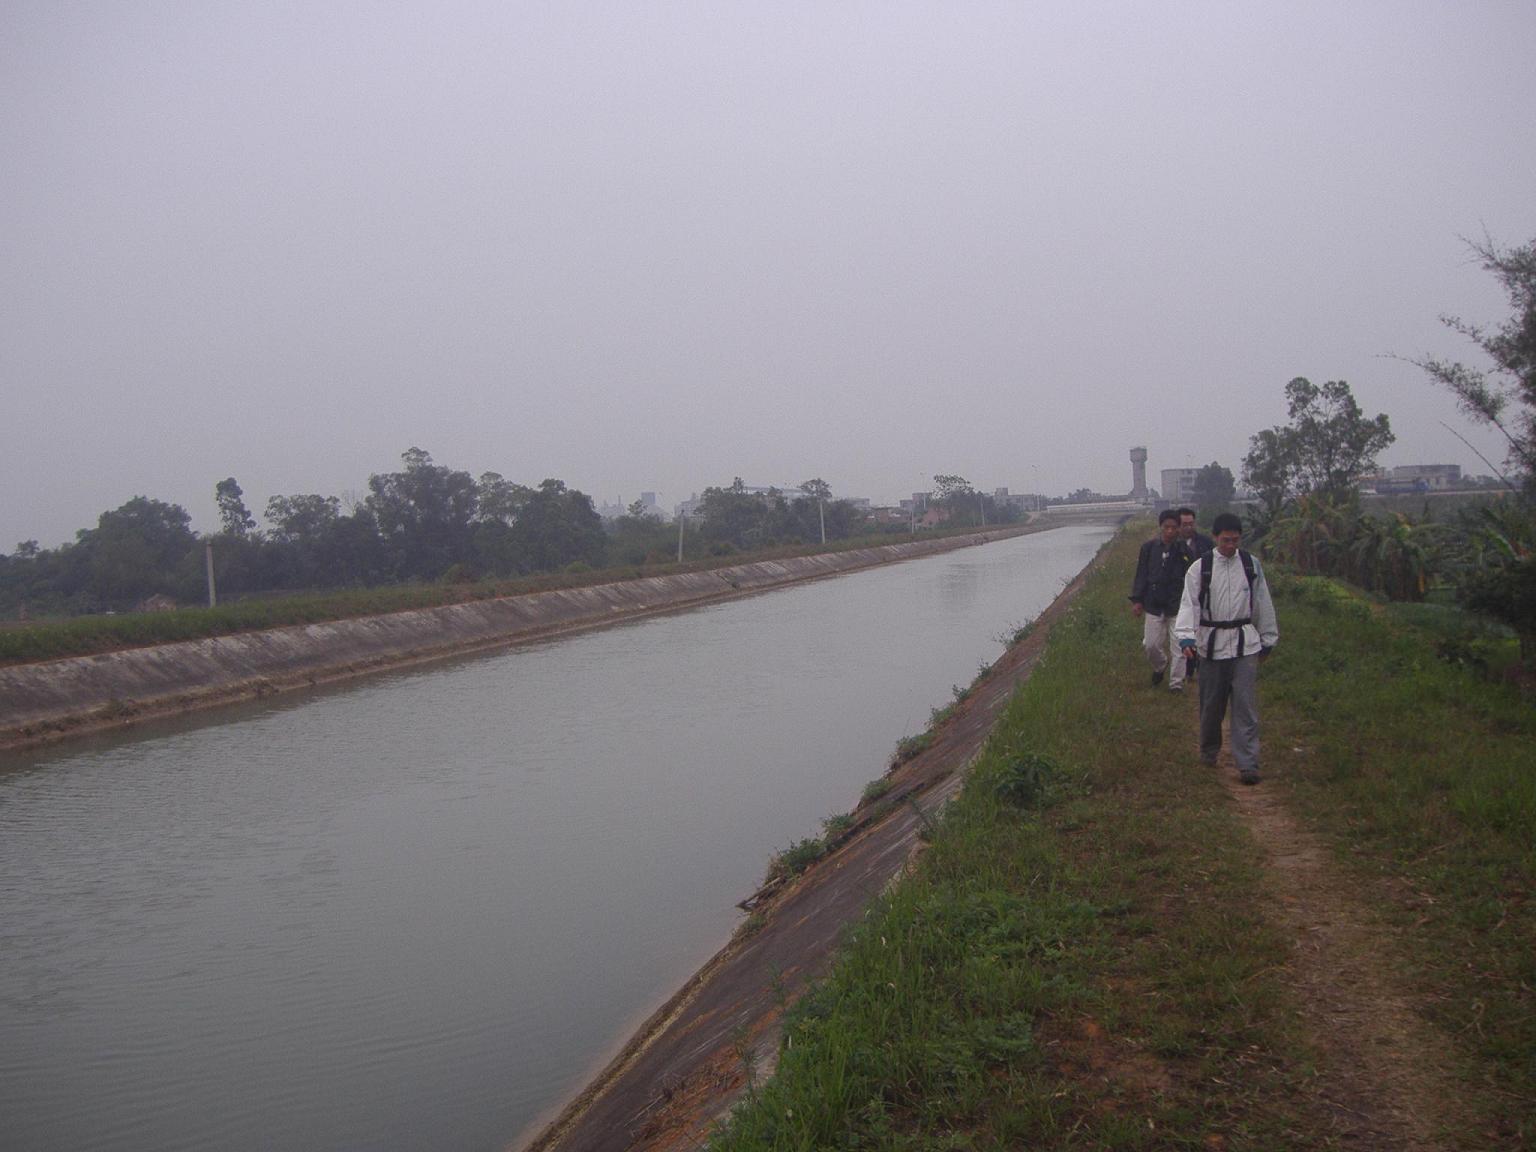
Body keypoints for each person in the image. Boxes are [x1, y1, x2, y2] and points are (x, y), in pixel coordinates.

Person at [1174, 512, 1278, 784]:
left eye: (1235, 540)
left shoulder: (1250, 565)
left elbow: (1262, 602)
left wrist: (1268, 638)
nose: (1231, 546)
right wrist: (1186, 638)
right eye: (1225, 540)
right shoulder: (1200, 568)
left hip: (1245, 645)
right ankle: (1209, 750)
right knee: (1211, 705)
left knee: (1245, 706)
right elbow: (1189, 605)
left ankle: (1248, 763)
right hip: (1212, 644)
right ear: (1216, 538)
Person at [1129, 509, 1195, 692]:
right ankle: (1160, 665)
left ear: (1178, 529)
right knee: (1150, 645)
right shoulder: (1148, 549)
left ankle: (1176, 684)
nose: (1170, 531)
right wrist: (1137, 600)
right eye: (1167, 527)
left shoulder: (1185, 551)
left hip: (1178, 605)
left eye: (1174, 527)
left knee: (1179, 646)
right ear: (1161, 527)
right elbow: (1141, 574)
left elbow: (1193, 578)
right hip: (1154, 604)